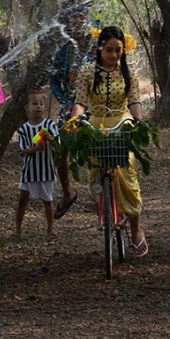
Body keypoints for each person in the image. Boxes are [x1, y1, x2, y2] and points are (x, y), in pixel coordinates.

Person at [70, 25, 149, 256]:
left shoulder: (128, 73)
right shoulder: (86, 72)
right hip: (95, 123)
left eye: (118, 51)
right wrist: (75, 121)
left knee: (127, 171)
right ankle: (101, 201)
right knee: (95, 169)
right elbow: (80, 102)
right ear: (100, 48)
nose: (114, 55)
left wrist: (138, 122)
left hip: (121, 123)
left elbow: (134, 102)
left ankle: (136, 229)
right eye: (110, 50)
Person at [50, 7, 92, 219]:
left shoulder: (96, 46)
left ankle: (99, 192)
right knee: (59, 148)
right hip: (70, 108)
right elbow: (54, 81)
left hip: (96, 107)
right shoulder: (62, 53)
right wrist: (65, 101)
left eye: (81, 17)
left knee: (100, 145)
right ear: (67, 24)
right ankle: (67, 193)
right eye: (73, 18)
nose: (77, 22)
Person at [14, 89, 59, 240]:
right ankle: (17, 230)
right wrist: (35, 149)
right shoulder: (24, 129)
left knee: (48, 200)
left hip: (46, 169)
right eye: (34, 103)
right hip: (29, 171)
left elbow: (58, 145)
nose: (38, 106)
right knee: (22, 199)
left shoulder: (49, 125)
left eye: (41, 103)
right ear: (27, 107)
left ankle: (51, 229)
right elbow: (23, 150)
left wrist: (50, 139)